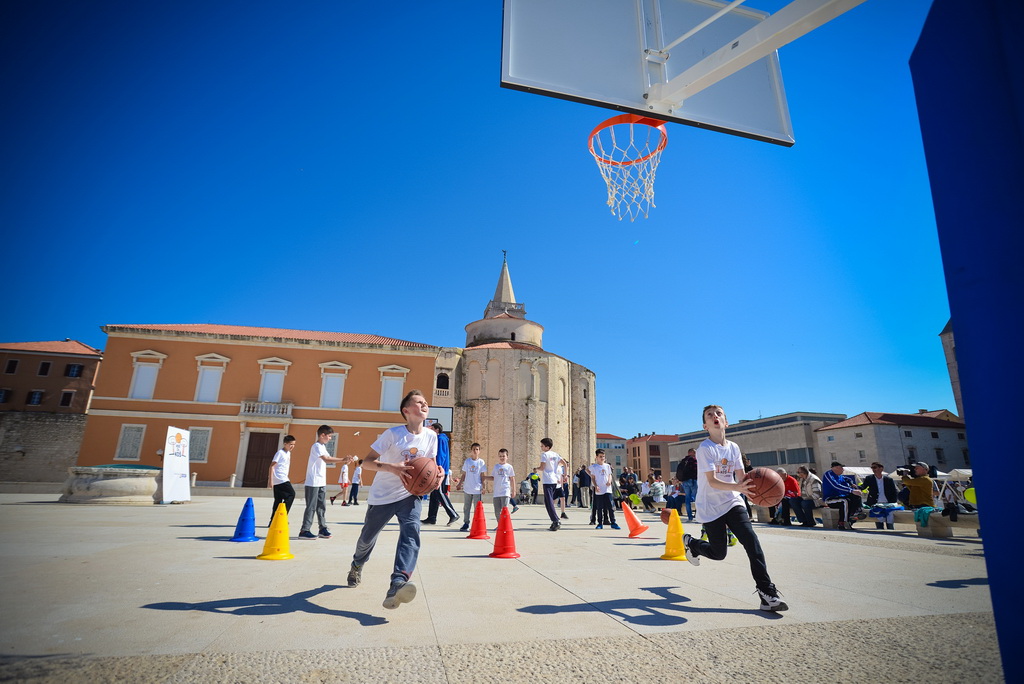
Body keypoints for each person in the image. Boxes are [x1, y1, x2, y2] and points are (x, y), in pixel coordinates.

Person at [682, 405, 788, 612]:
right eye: (710, 415)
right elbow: (712, 481)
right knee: (718, 553)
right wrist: (738, 487)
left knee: (752, 542)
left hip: (732, 501)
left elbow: (741, 477)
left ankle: (767, 594)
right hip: (711, 505)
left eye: (719, 414)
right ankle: (693, 544)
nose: (715, 417)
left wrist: (756, 490)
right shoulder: (705, 449)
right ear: (705, 425)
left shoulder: (733, 447)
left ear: (726, 422)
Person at [346, 390, 438, 610]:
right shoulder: (393, 434)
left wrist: (438, 475)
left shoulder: (431, 436)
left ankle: (398, 582)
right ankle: (357, 563)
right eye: (419, 402)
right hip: (383, 495)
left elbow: (431, 465)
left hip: (410, 495)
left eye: (426, 402)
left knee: (411, 534)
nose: (425, 404)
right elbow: (365, 463)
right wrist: (392, 468)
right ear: (406, 411)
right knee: (367, 538)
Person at [299, 425, 351, 541]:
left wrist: (344, 460)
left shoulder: (322, 446)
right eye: (329, 436)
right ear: (322, 435)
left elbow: (328, 457)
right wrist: (343, 459)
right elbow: (326, 459)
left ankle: (322, 529)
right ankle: (304, 530)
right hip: (313, 482)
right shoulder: (316, 446)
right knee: (311, 507)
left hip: (321, 481)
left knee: (321, 506)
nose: (330, 439)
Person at [421, 422, 459, 527]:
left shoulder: (441, 439)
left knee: (440, 492)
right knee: (434, 495)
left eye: (432, 428)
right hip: (438, 470)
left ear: (437, 430)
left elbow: (441, 456)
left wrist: (438, 469)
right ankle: (431, 518)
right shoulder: (439, 439)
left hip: (441, 471)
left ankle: (453, 514)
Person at [821, 461, 866, 530]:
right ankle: (844, 522)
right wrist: (851, 490)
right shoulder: (828, 474)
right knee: (845, 501)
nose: (843, 470)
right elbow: (835, 486)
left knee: (856, 496)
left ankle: (855, 513)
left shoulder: (840, 476)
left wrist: (851, 484)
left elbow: (847, 479)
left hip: (840, 497)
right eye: (841, 468)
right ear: (835, 468)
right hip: (830, 499)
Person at [539, 438, 568, 531]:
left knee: (549, 502)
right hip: (555, 480)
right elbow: (564, 463)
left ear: (547, 447)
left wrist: (537, 468)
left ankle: (556, 520)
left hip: (548, 480)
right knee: (548, 501)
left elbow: (542, 467)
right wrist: (565, 475)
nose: (541, 447)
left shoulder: (544, 455)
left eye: (542, 446)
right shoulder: (556, 454)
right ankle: (554, 520)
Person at [267, 434, 296, 526]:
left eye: (294, 444)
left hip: (282, 478)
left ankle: (273, 521)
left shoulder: (288, 453)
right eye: (290, 444)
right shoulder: (280, 453)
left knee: (278, 501)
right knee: (291, 494)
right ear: (285, 444)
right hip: (280, 479)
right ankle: (281, 517)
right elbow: (272, 466)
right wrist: (270, 481)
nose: (292, 446)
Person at [457, 443, 486, 532]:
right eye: (474, 449)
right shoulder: (468, 461)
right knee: (466, 507)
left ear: (479, 451)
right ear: (471, 450)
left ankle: (477, 523)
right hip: (468, 488)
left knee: (477, 508)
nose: (475, 451)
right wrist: (460, 484)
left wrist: (484, 487)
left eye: (477, 449)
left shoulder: (481, 462)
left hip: (477, 489)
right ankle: (466, 523)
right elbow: (464, 474)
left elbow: (483, 475)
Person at [588, 449, 620, 530]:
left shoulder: (607, 466)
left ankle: (613, 522)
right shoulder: (594, 467)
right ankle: (600, 523)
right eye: (600, 457)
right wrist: (595, 486)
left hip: (607, 489)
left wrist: (609, 481)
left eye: (603, 457)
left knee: (610, 506)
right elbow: (593, 478)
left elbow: (609, 475)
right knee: (599, 507)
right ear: (596, 457)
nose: (602, 458)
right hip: (599, 490)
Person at [483, 448, 517, 522]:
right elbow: (493, 478)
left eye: (503, 456)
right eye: (500, 456)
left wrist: (514, 490)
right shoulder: (496, 467)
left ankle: (505, 525)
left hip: (505, 491)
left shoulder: (509, 467)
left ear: (507, 457)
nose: (502, 458)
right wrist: (484, 477)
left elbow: (512, 479)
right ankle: (500, 525)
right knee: (497, 512)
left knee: (504, 510)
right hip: (496, 492)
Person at [676, 448, 699, 522]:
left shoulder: (683, 461)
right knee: (697, 498)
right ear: (692, 453)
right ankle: (698, 516)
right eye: (695, 453)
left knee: (687, 499)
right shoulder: (693, 460)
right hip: (693, 480)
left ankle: (690, 517)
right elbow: (697, 470)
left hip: (684, 482)